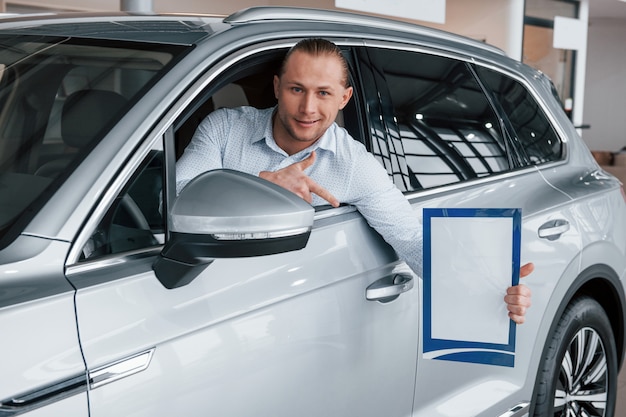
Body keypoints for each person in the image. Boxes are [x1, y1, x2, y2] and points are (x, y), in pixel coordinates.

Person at [176, 38, 533, 324]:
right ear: (276, 87)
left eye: (324, 93)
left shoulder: (352, 164)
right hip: (202, 298)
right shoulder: (224, 128)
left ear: (345, 98)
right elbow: (174, 201)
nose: (308, 109)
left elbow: (411, 238)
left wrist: (491, 283)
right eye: (296, 90)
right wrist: (263, 185)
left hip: (295, 318)